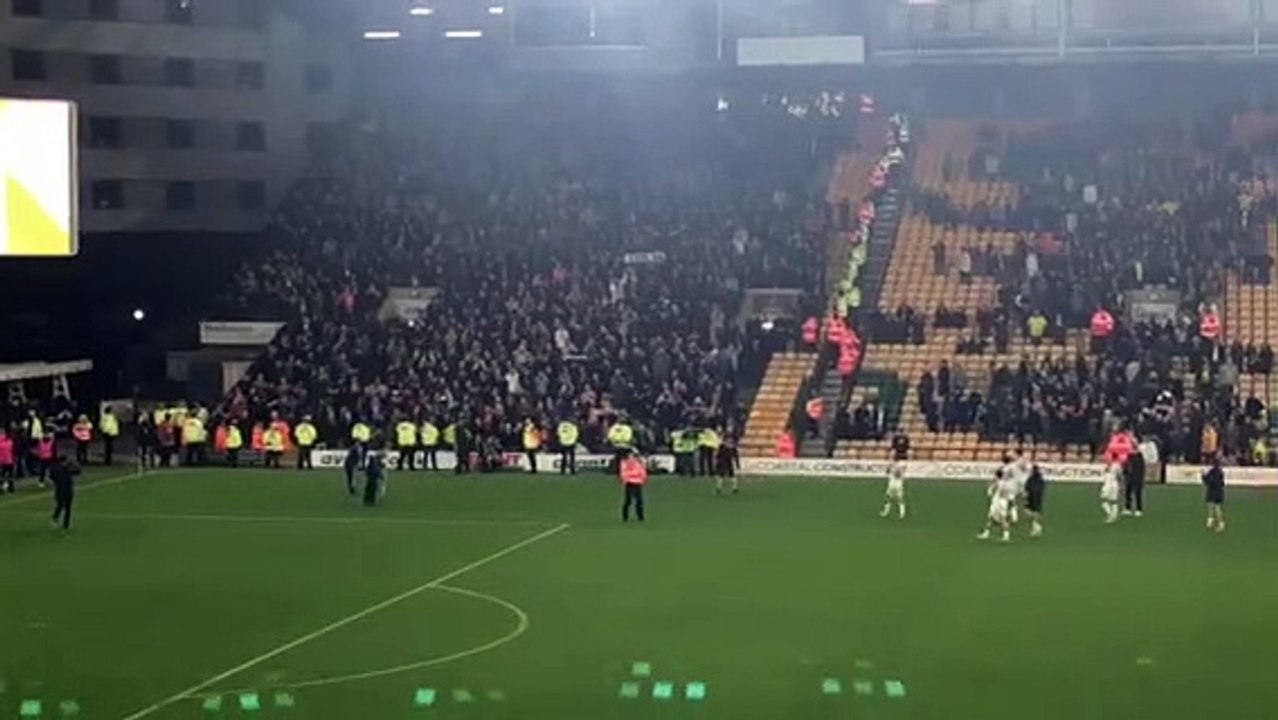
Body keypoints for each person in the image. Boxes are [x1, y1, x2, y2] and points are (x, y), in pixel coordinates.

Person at [977, 468, 1015, 542]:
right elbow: (1010, 496)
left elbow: (989, 493)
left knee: (998, 519)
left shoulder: (997, 483)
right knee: (993, 518)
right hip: (1003, 503)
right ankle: (989, 534)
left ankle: (1004, 535)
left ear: (997, 476)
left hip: (997, 503)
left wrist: (991, 486)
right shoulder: (1006, 484)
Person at [48, 455, 79, 531]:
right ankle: (55, 517)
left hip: (67, 489)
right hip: (60, 489)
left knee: (68, 507)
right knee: (61, 504)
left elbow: (77, 471)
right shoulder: (58, 469)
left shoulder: (67, 469)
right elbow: (52, 476)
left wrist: (74, 465)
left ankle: (66, 524)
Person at [620, 450, 647, 523]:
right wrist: (629, 477)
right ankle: (625, 517)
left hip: (638, 483)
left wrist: (643, 478)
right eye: (630, 455)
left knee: (639, 500)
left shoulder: (639, 462)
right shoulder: (624, 463)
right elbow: (624, 473)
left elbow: (642, 471)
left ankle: (640, 517)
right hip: (629, 483)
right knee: (628, 501)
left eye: (632, 455)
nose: (631, 457)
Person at [1203, 457, 1225, 533]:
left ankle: (1218, 522)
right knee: (1215, 506)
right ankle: (1212, 520)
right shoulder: (1220, 472)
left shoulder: (1212, 472)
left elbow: (1207, 481)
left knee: (1213, 506)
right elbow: (1222, 482)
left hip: (1212, 491)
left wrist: (1203, 476)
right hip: (1219, 491)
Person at [1123, 447, 1146, 517]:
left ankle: (1139, 509)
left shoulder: (1139, 457)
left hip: (1137, 478)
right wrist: (1125, 474)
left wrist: (1140, 478)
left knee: (1137, 493)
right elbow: (1125, 467)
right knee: (1128, 493)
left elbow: (1141, 469)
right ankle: (1127, 508)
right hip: (1129, 478)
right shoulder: (1129, 456)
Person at [1024, 463, 1046, 537]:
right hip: (1032, 497)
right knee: (1028, 512)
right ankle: (1037, 526)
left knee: (1034, 512)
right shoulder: (1032, 478)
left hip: (1035, 497)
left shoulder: (1038, 479)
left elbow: (1040, 488)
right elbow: (1027, 487)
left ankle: (1036, 528)